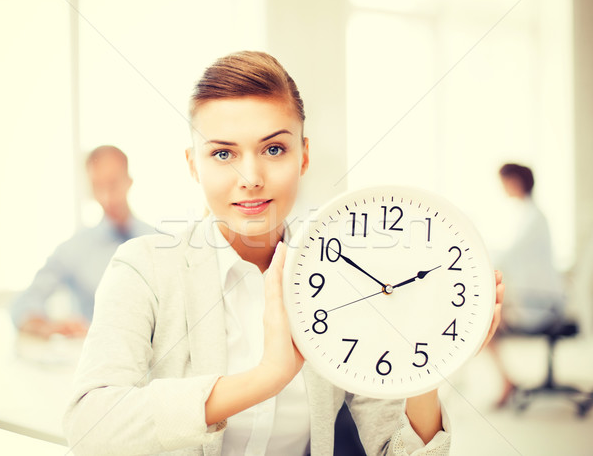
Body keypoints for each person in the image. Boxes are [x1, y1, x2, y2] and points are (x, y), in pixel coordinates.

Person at [63, 51, 503, 455]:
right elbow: (88, 426)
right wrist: (266, 377)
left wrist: (427, 372)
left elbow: (397, 451)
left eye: (274, 149)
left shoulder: (350, 276)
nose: (251, 177)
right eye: (222, 153)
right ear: (193, 164)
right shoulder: (144, 268)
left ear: (303, 155)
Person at [10, 145, 154, 338]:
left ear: (128, 182)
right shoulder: (74, 249)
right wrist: (46, 327)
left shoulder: (157, 242)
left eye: (112, 184)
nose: (106, 196)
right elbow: (24, 303)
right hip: (91, 360)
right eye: (97, 186)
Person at [489, 163, 565, 406]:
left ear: (516, 182)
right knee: (489, 321)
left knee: (486, 324)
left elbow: (508, 256)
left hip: (539, 304)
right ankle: (507, 381)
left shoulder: (533, 219)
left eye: (505, 181)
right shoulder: (529, 215)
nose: (503, 188)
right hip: (537, 298)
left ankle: (507, 381)